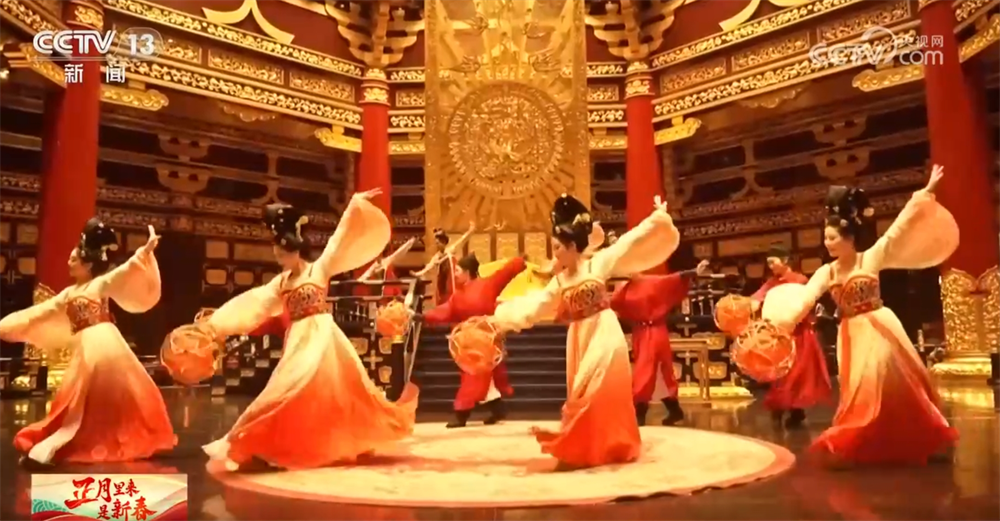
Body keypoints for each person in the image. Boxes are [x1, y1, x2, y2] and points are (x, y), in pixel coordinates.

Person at [194, 189, 419, 470]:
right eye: (277, 253)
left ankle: (335, 441)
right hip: (299, 339)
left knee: (339, 392)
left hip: (324, 337)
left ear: (295, 249)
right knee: (284, 390)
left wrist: (354, 205)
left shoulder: (318, 269)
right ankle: (261, 441)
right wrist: (214, 325)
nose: (278, 257)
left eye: (282, 253)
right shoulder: (280, 283)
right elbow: (251, 304)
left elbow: (338, 240)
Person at [760, 164, 958, 467]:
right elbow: (805, 300)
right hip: (850, 332)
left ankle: (914, 435)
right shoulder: (827, 272)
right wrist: (780, 326)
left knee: (888, 381)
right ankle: (863, 439)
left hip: (879, 325)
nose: (827, 243)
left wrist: (924, 192)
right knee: (858, 388)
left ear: (849, 237)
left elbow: (898, 229)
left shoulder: (871, 257)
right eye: (825, 238)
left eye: (832, 238)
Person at [473, 193, 680, 468]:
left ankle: (614, 444)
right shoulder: (560, 281)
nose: (555, 253)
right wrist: (499, 318)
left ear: (572, 246)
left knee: (597, 388)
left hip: (604, 331)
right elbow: (534, 307)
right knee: (581, 392)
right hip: (579, 337)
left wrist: (657, 218)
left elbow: (630, 241)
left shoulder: (598, 263)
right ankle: (590, 446)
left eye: (558, 247)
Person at [0, 220, 175, 464]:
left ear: (89, 264)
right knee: (82, 396)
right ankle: (77, 439)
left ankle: (121, 434)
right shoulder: (68, 294)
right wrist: (7, 325)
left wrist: (145, 251)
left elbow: (125, 271)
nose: (69, 262)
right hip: (87, 344)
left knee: (119, 392)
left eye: (74, 259)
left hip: (105, 341)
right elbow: (38, 313)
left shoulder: (99, 284)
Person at [421, 252, 527, 428]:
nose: (455, 274)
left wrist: (519, 261)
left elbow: (505, 272)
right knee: (483, 380)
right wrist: (424, 316)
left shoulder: (488, 284)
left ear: (467, 272)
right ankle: (498, 408)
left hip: (485, 341)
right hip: (468, 343)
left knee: (473, 378)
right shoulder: (457, 296)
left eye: (457, 270)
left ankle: (461, 414)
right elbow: (445, 310)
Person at [611, 257, 711, 426]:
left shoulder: (652, 281)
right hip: (640, 332)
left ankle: (640, 413)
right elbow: (615, 303)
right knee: (655, 373)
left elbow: (673, 279)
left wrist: (694, 271)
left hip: (654, 331)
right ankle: (674, 410)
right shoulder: (624, 287)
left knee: (647, 370)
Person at [750, 244, 832, 429]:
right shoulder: (771, 283)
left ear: (785, 261)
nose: (770, 266)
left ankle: (796, 410)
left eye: (773, 262)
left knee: (797, 373)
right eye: (768, 263)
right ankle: (779, 408)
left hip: (799, 333)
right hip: (779, 335)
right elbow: (757, 298)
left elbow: (807, 304)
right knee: (779, 374)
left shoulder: (800, 280)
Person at [414, 223, 476, 305]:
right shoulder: (437, 256)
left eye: (438, 243)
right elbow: (428, 267)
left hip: (451, 280)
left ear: (443, 242)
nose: (437, 245)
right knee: (442, 297)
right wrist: (418, 273)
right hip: (442, 281)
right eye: (436, 243)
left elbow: (462, 240)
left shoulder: (450, 250)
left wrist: (470, 231)